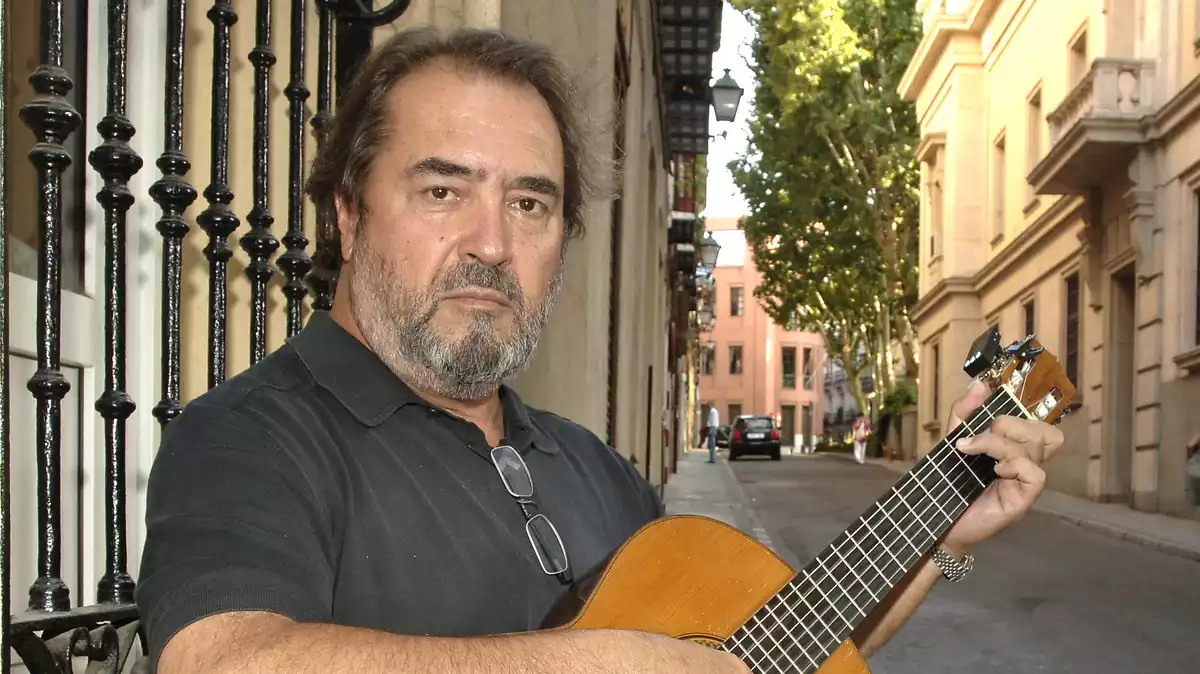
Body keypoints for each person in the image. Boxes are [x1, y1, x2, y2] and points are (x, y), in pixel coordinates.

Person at [135, 27, 1066, 674]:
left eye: (531, 204)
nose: (493, 243)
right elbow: (225, 658)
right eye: (443, 192)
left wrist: (938, 536)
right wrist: (598, 662)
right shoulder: (252, 438)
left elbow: (778, 647)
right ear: (347, 214)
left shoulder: (588, 466)